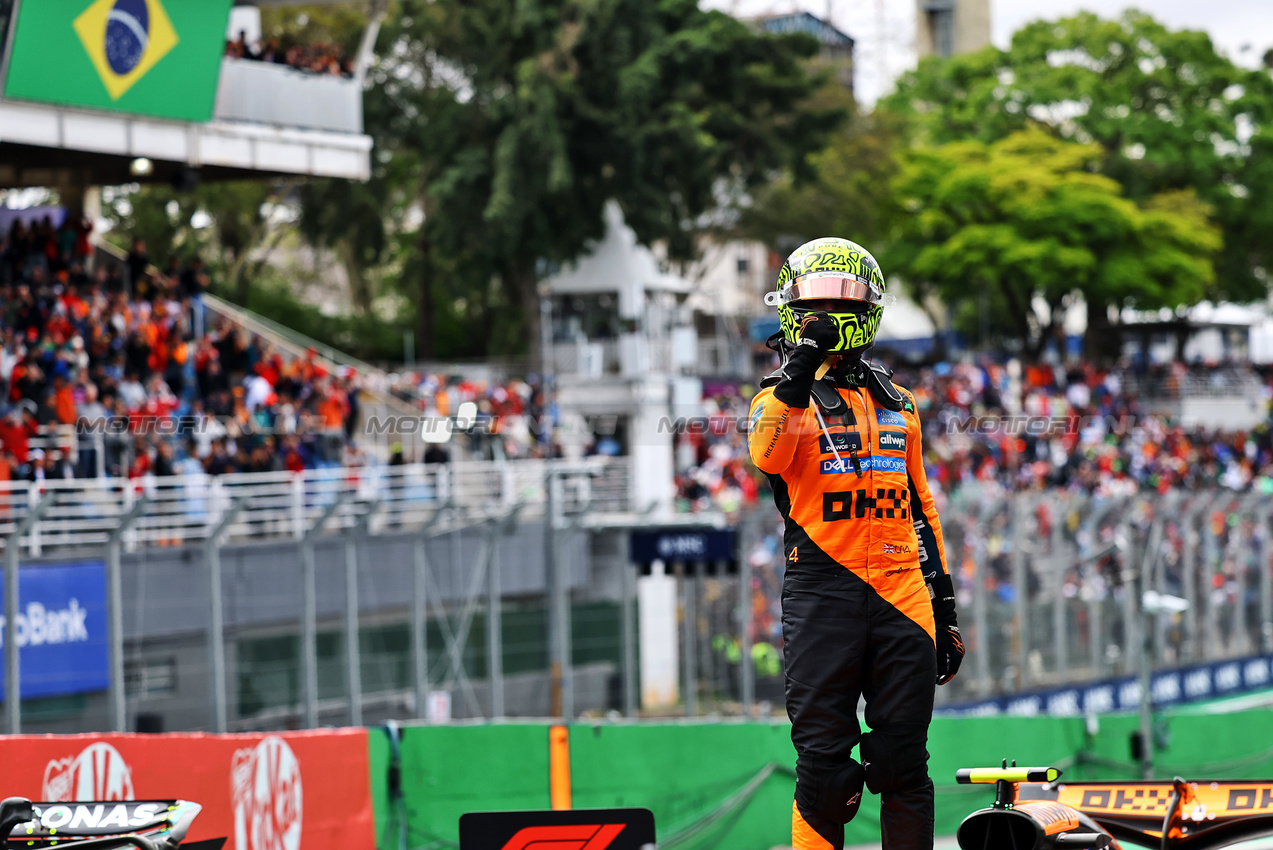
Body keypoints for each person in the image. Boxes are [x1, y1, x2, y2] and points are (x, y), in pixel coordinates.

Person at [746, 238, 963, 850]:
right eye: (812, 297)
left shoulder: (900, 402)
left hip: (905, 597)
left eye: (844, 295)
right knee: (825, 775)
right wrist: (800, 367)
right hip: (823, 595)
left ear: (871, 304)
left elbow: (923, 510)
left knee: (902, 765)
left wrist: (944, 607)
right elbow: (767, 454)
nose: (826, 309)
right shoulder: (774, 399)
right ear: (789, 304)